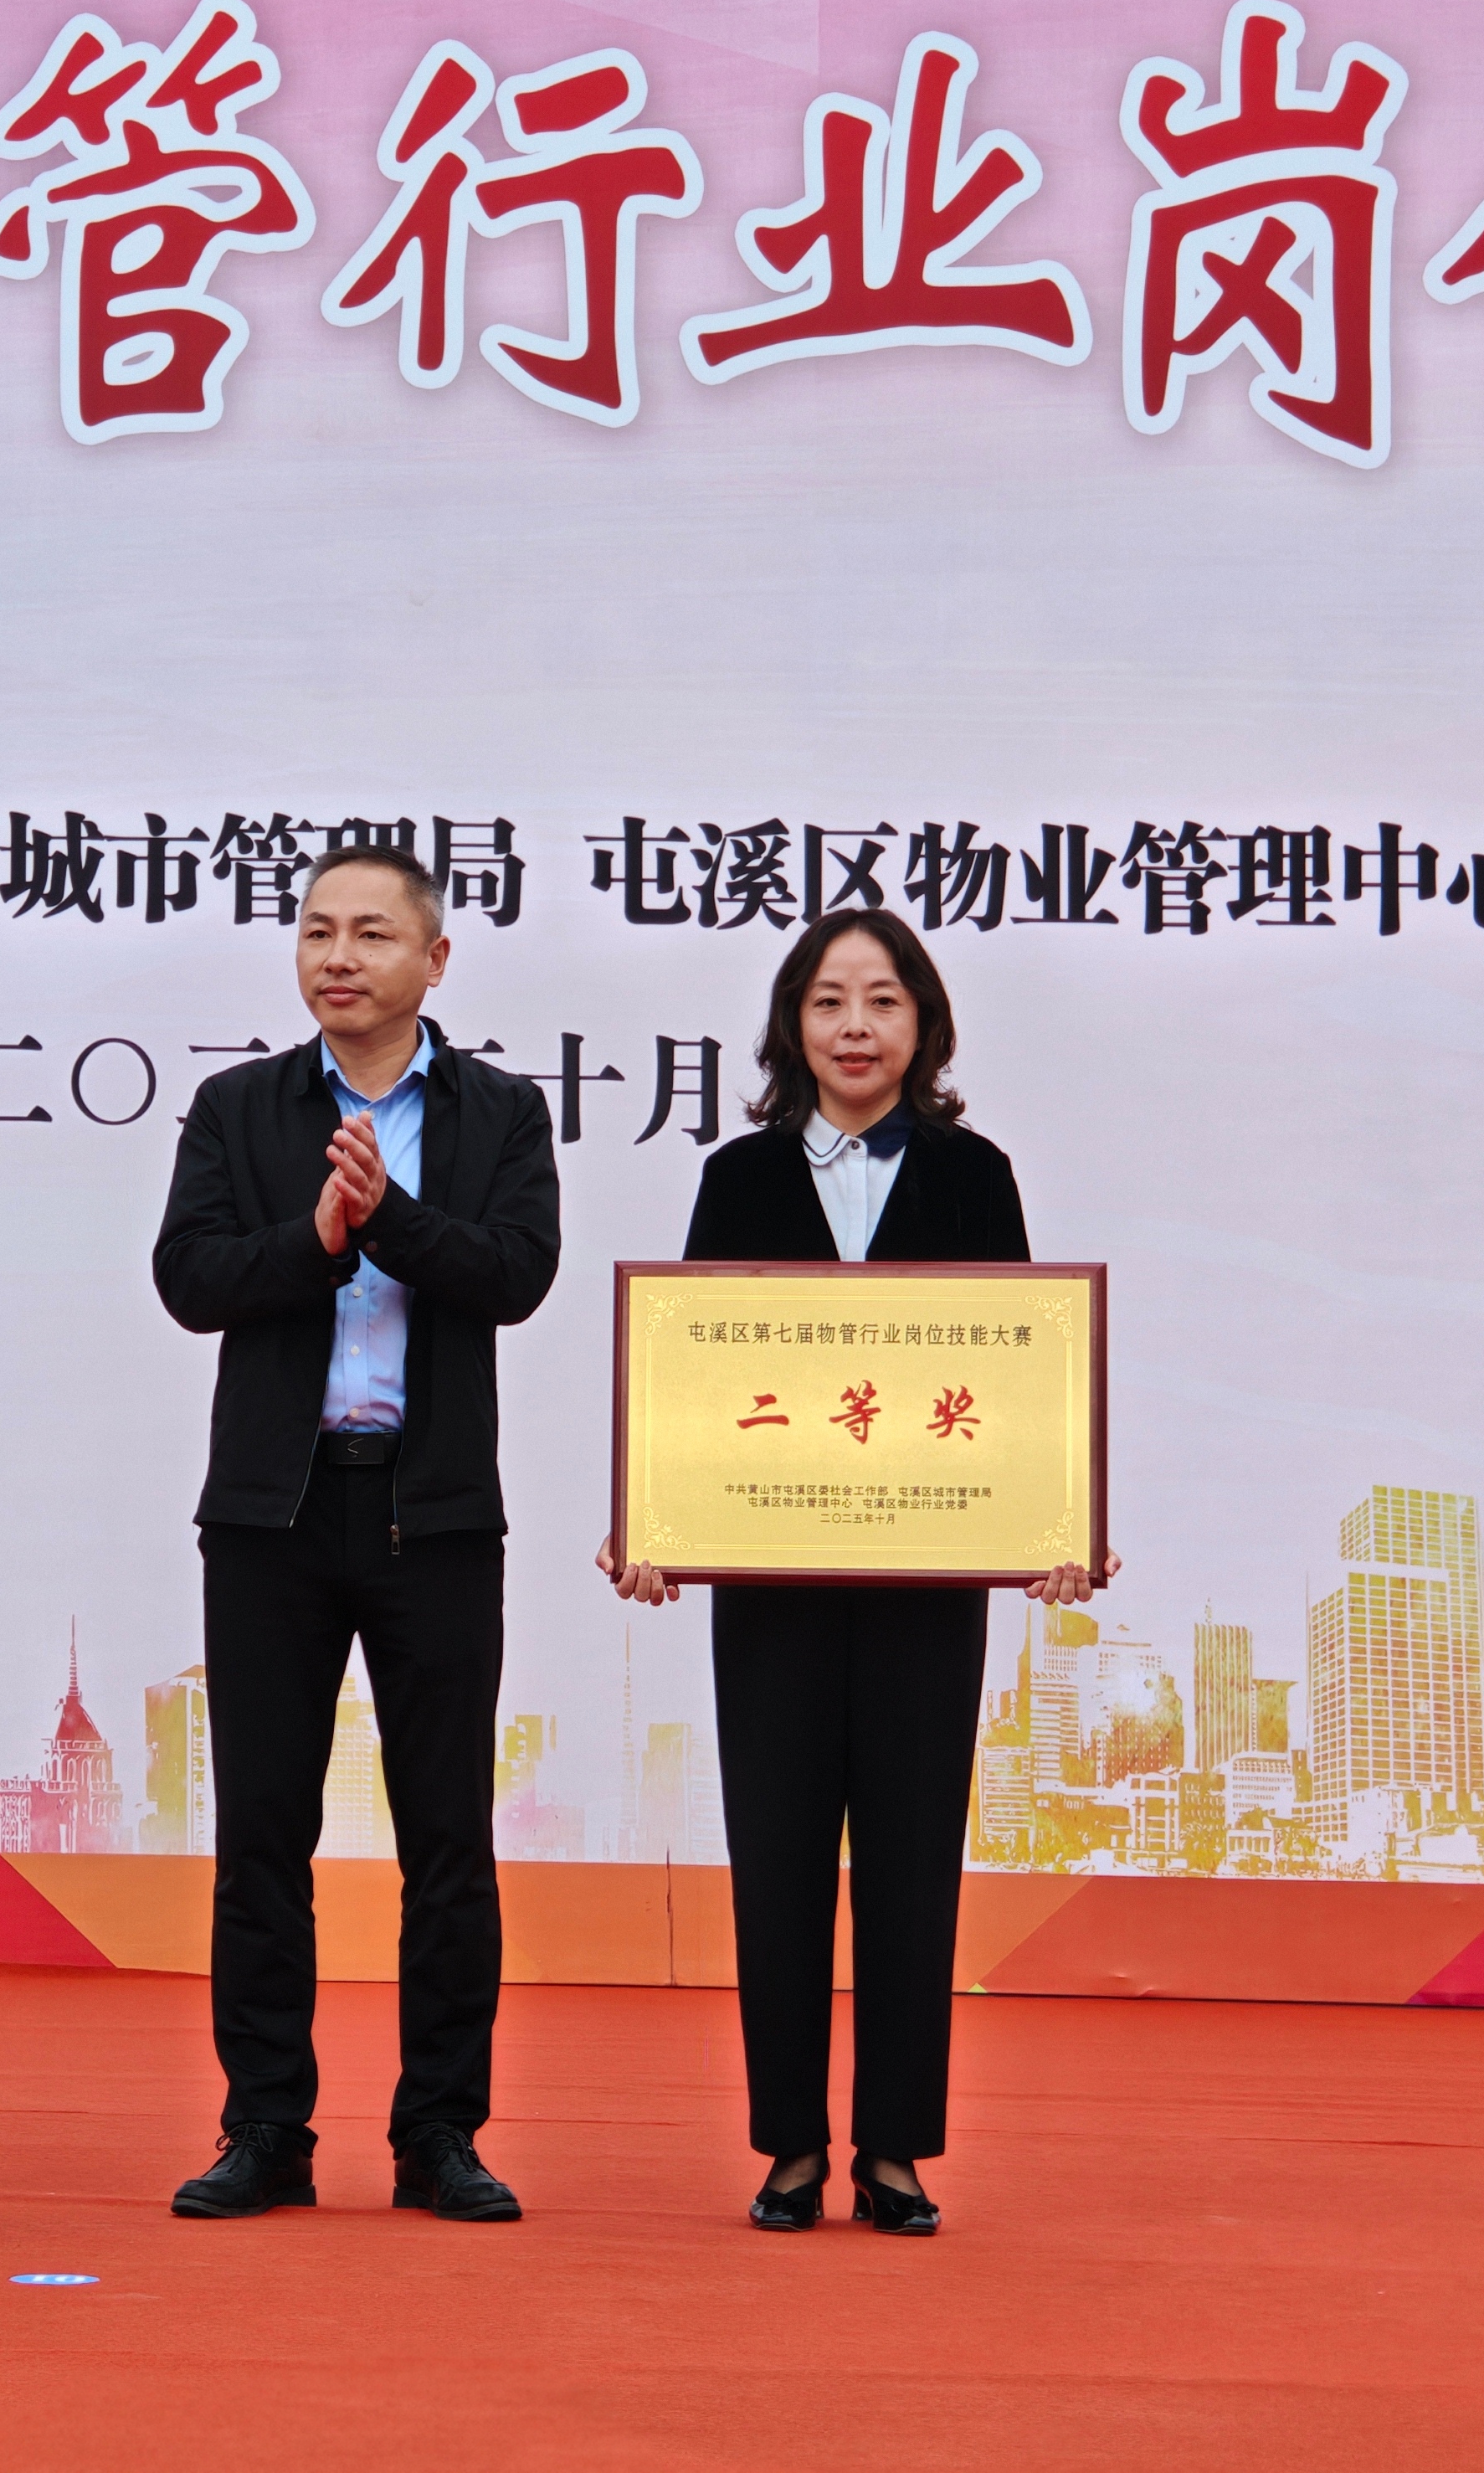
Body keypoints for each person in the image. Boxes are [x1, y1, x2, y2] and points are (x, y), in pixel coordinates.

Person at [601, 905, 1112, 2238]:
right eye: (829, 1001)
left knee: (910, 1861)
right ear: (794, 1025)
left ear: (923, 1024)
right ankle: (788, 2146)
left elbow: (1019, 1374)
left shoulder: (974, 1174)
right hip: (770, 1587)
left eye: (883, 1001)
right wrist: (649, 1522)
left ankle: (894, 2149)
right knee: (774, 1858)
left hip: (924, 1589)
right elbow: (695, 1375)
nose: (855, 1027)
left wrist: (1061, 1519)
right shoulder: (739, 1175)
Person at [153, 845, 561, 2224]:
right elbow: (190, 1278)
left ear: (434, 960)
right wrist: (321, 1240)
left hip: (429, 1511)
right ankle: (266, 2124)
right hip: (271, 1513)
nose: (339, 956)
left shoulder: (500, 1112)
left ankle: (439, 2129)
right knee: (261, 1833)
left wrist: (391, 1223)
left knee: (446, 1837)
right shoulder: (241, 1106)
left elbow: (517, 1274)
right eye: (318, 930)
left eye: (373, 933)